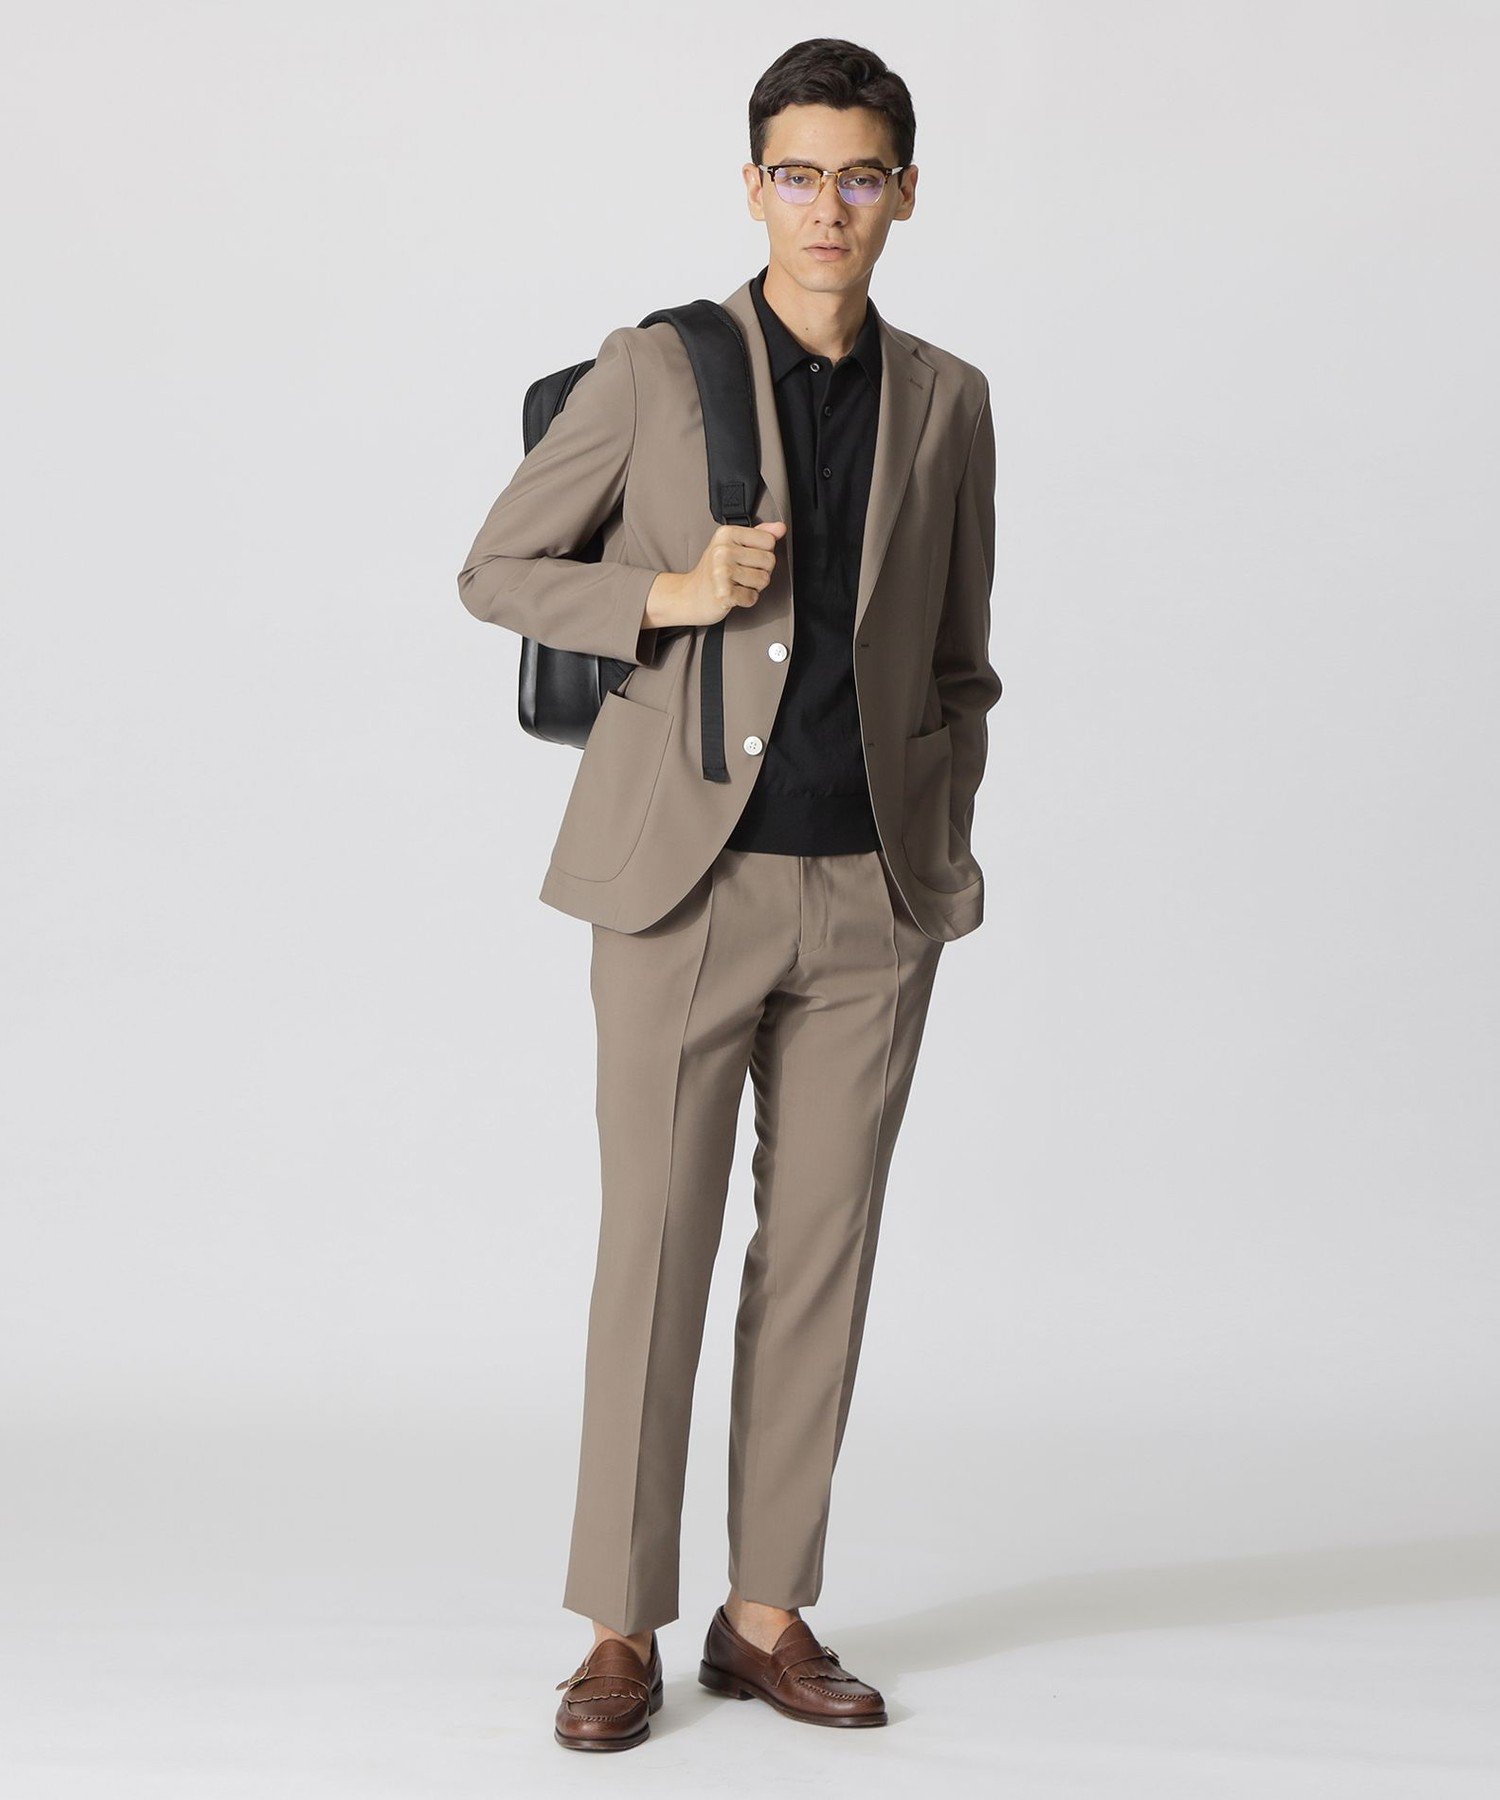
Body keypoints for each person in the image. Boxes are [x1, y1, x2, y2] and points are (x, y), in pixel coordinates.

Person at [456, 37, 1003, 1752]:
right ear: (753, 186)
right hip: (682, 888)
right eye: (798, 173)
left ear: (905, 193)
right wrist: (674, 592)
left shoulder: (950, 399)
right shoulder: (657, 369)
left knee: (822, 1257)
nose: (829, 206)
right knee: (658, 1250)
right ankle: (620, 1627)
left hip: (874, 894)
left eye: (861, 176)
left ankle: (766, 1616)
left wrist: (940, 834)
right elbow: (498, 570)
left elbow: (963, 658)